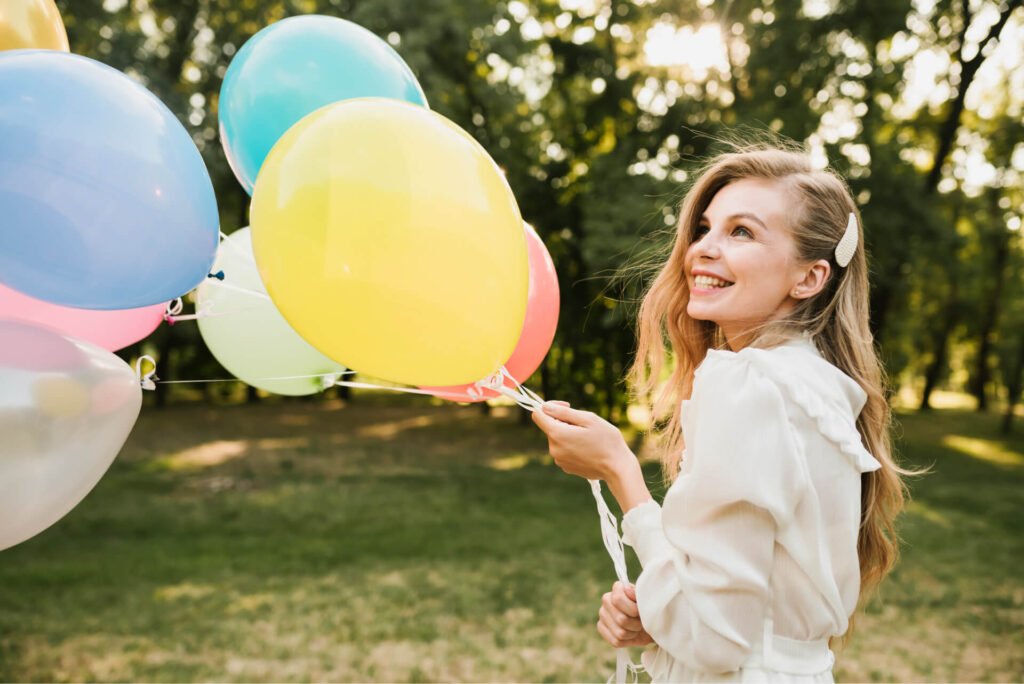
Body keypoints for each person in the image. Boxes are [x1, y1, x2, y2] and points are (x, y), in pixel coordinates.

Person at [531, 145, 911, 682]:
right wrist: (661, 617)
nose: (702, 249)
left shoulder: (751, 386)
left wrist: (620, 471)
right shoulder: (816, 387)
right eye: (706, 228)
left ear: (808, 278)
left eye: (742, 232)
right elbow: (738, 616)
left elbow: (714, 642)